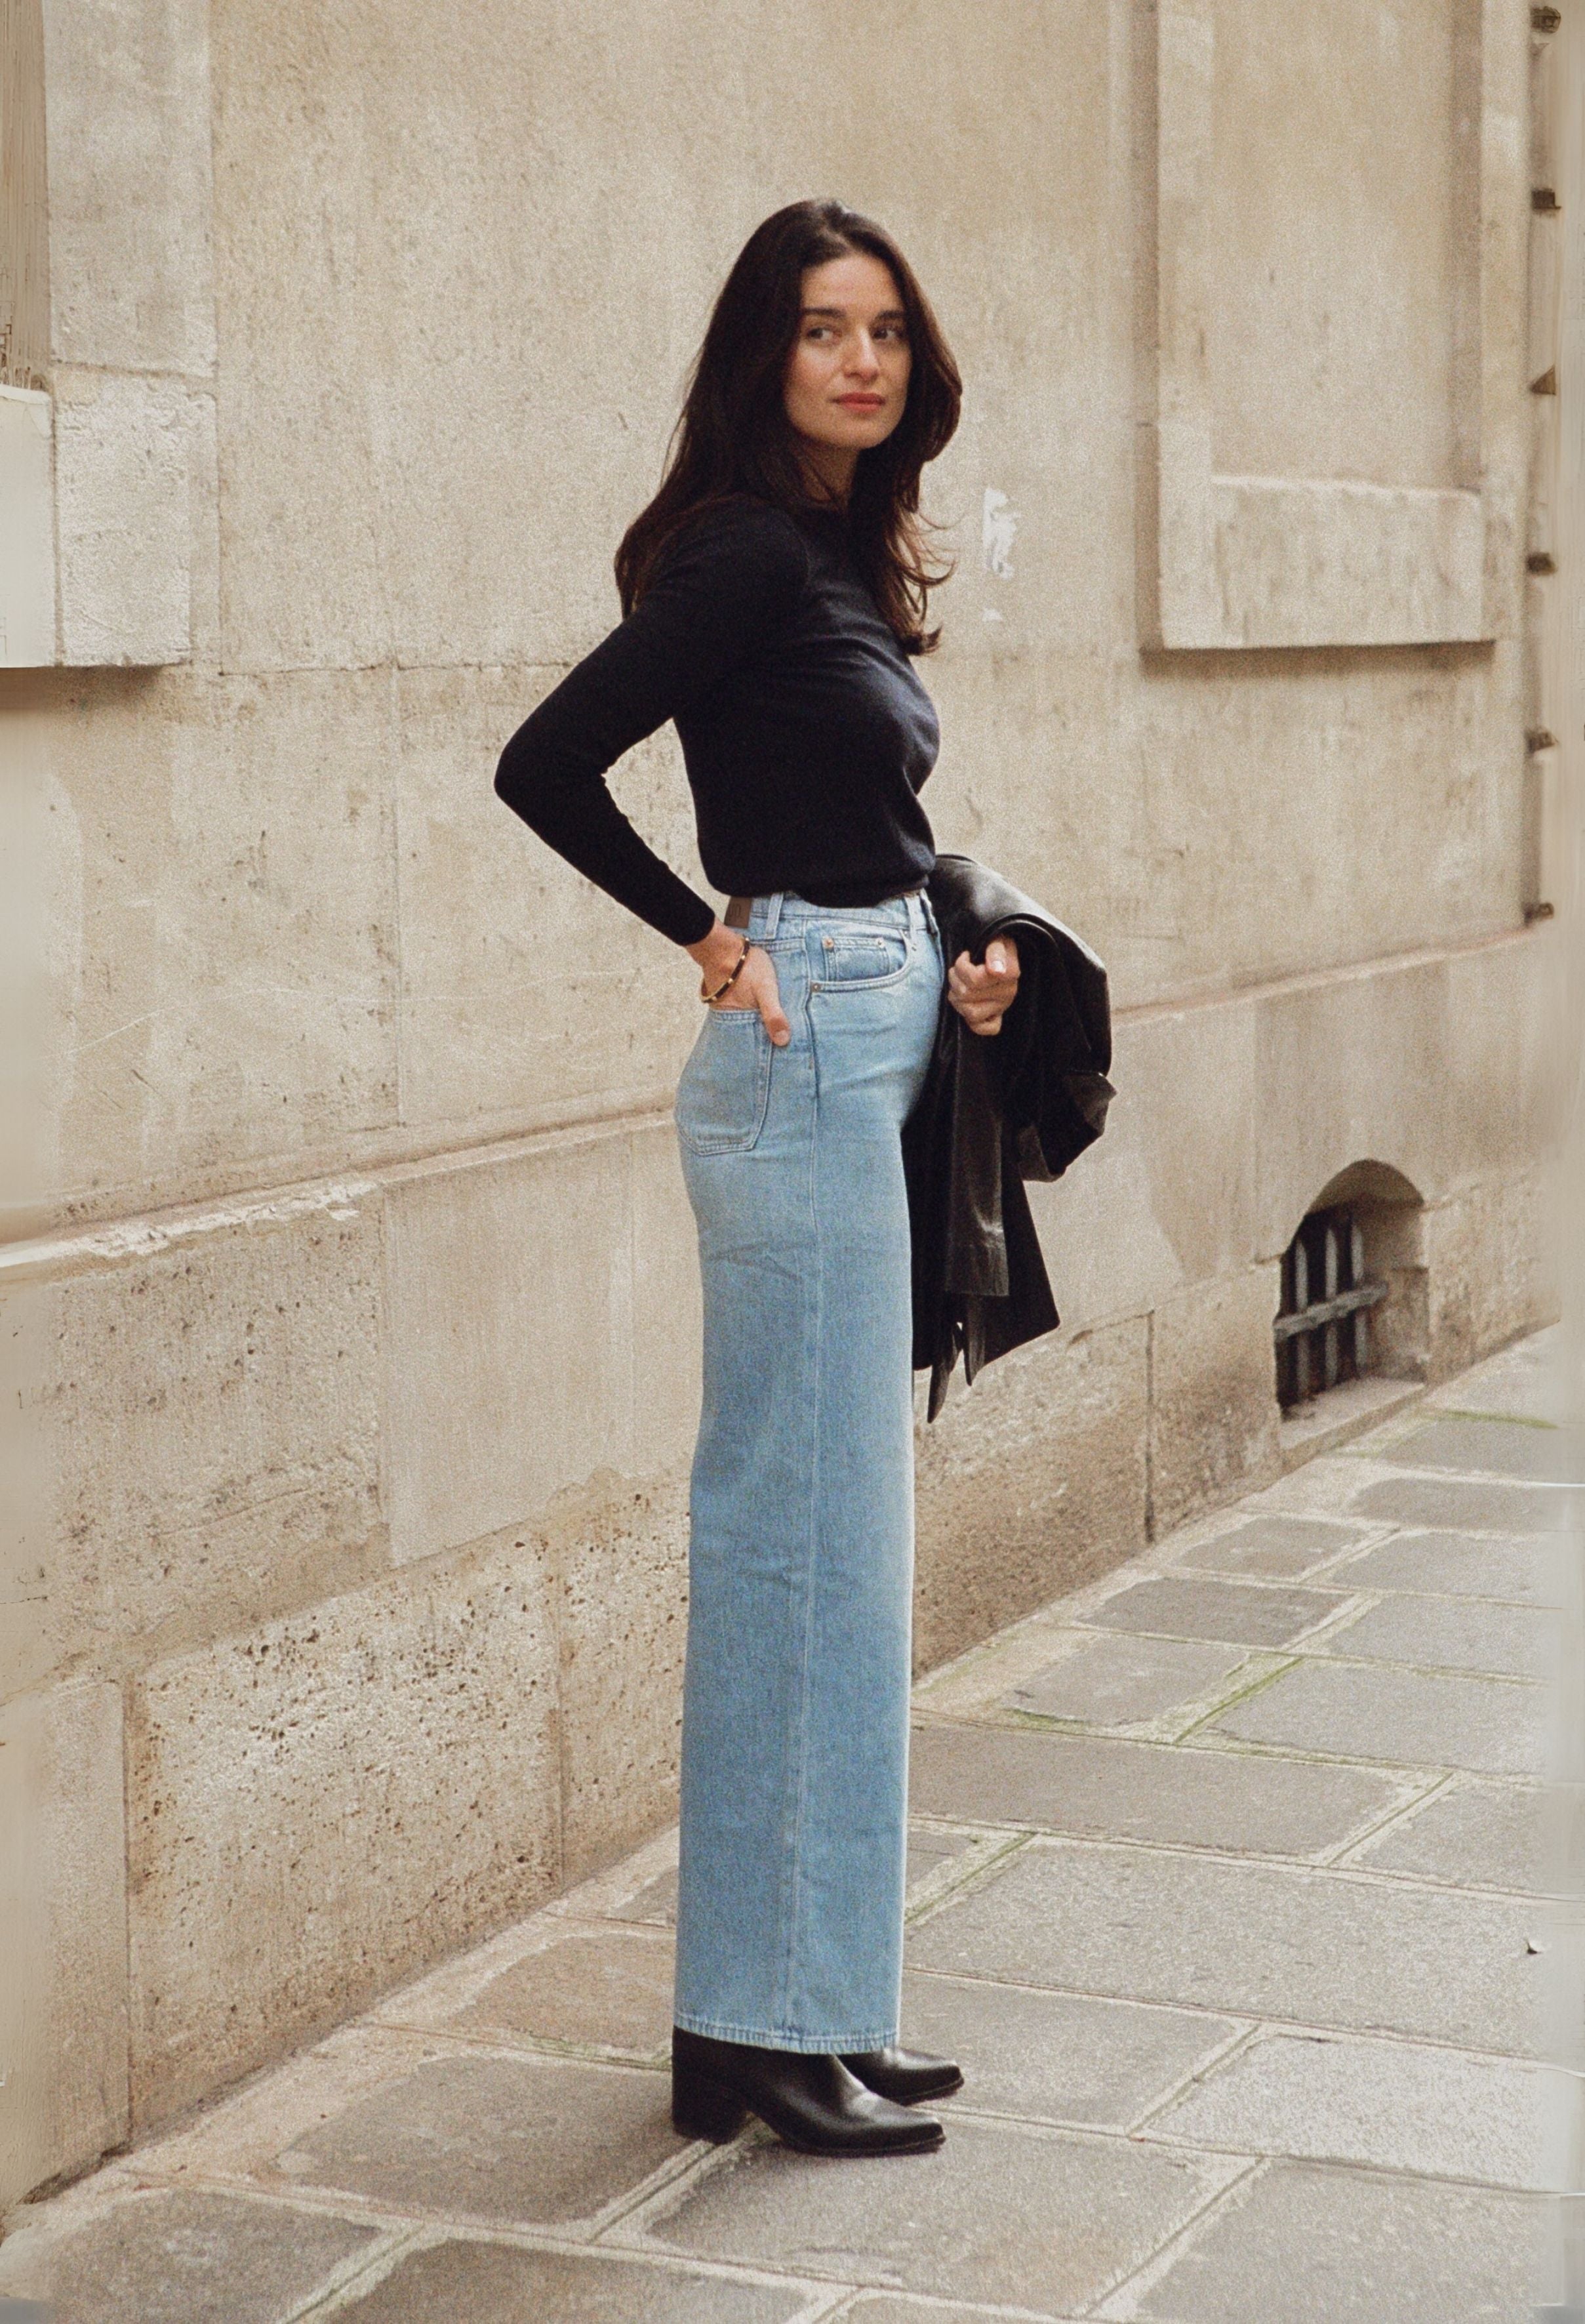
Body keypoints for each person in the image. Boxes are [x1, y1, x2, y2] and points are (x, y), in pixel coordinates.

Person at [495, 197, 1020, 2158]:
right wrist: (703, 939)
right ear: (762, 355)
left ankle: (802, 2011)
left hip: (868, 1035)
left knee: (838, 1551)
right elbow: (543, 764)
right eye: (821, 329)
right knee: (795, 1548)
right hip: (797, 1049)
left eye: (885, 326)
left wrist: (961, 923)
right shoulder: (733, 557)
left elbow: (870, 813)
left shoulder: (836, 557)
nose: (861, 359)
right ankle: (760, 2028)